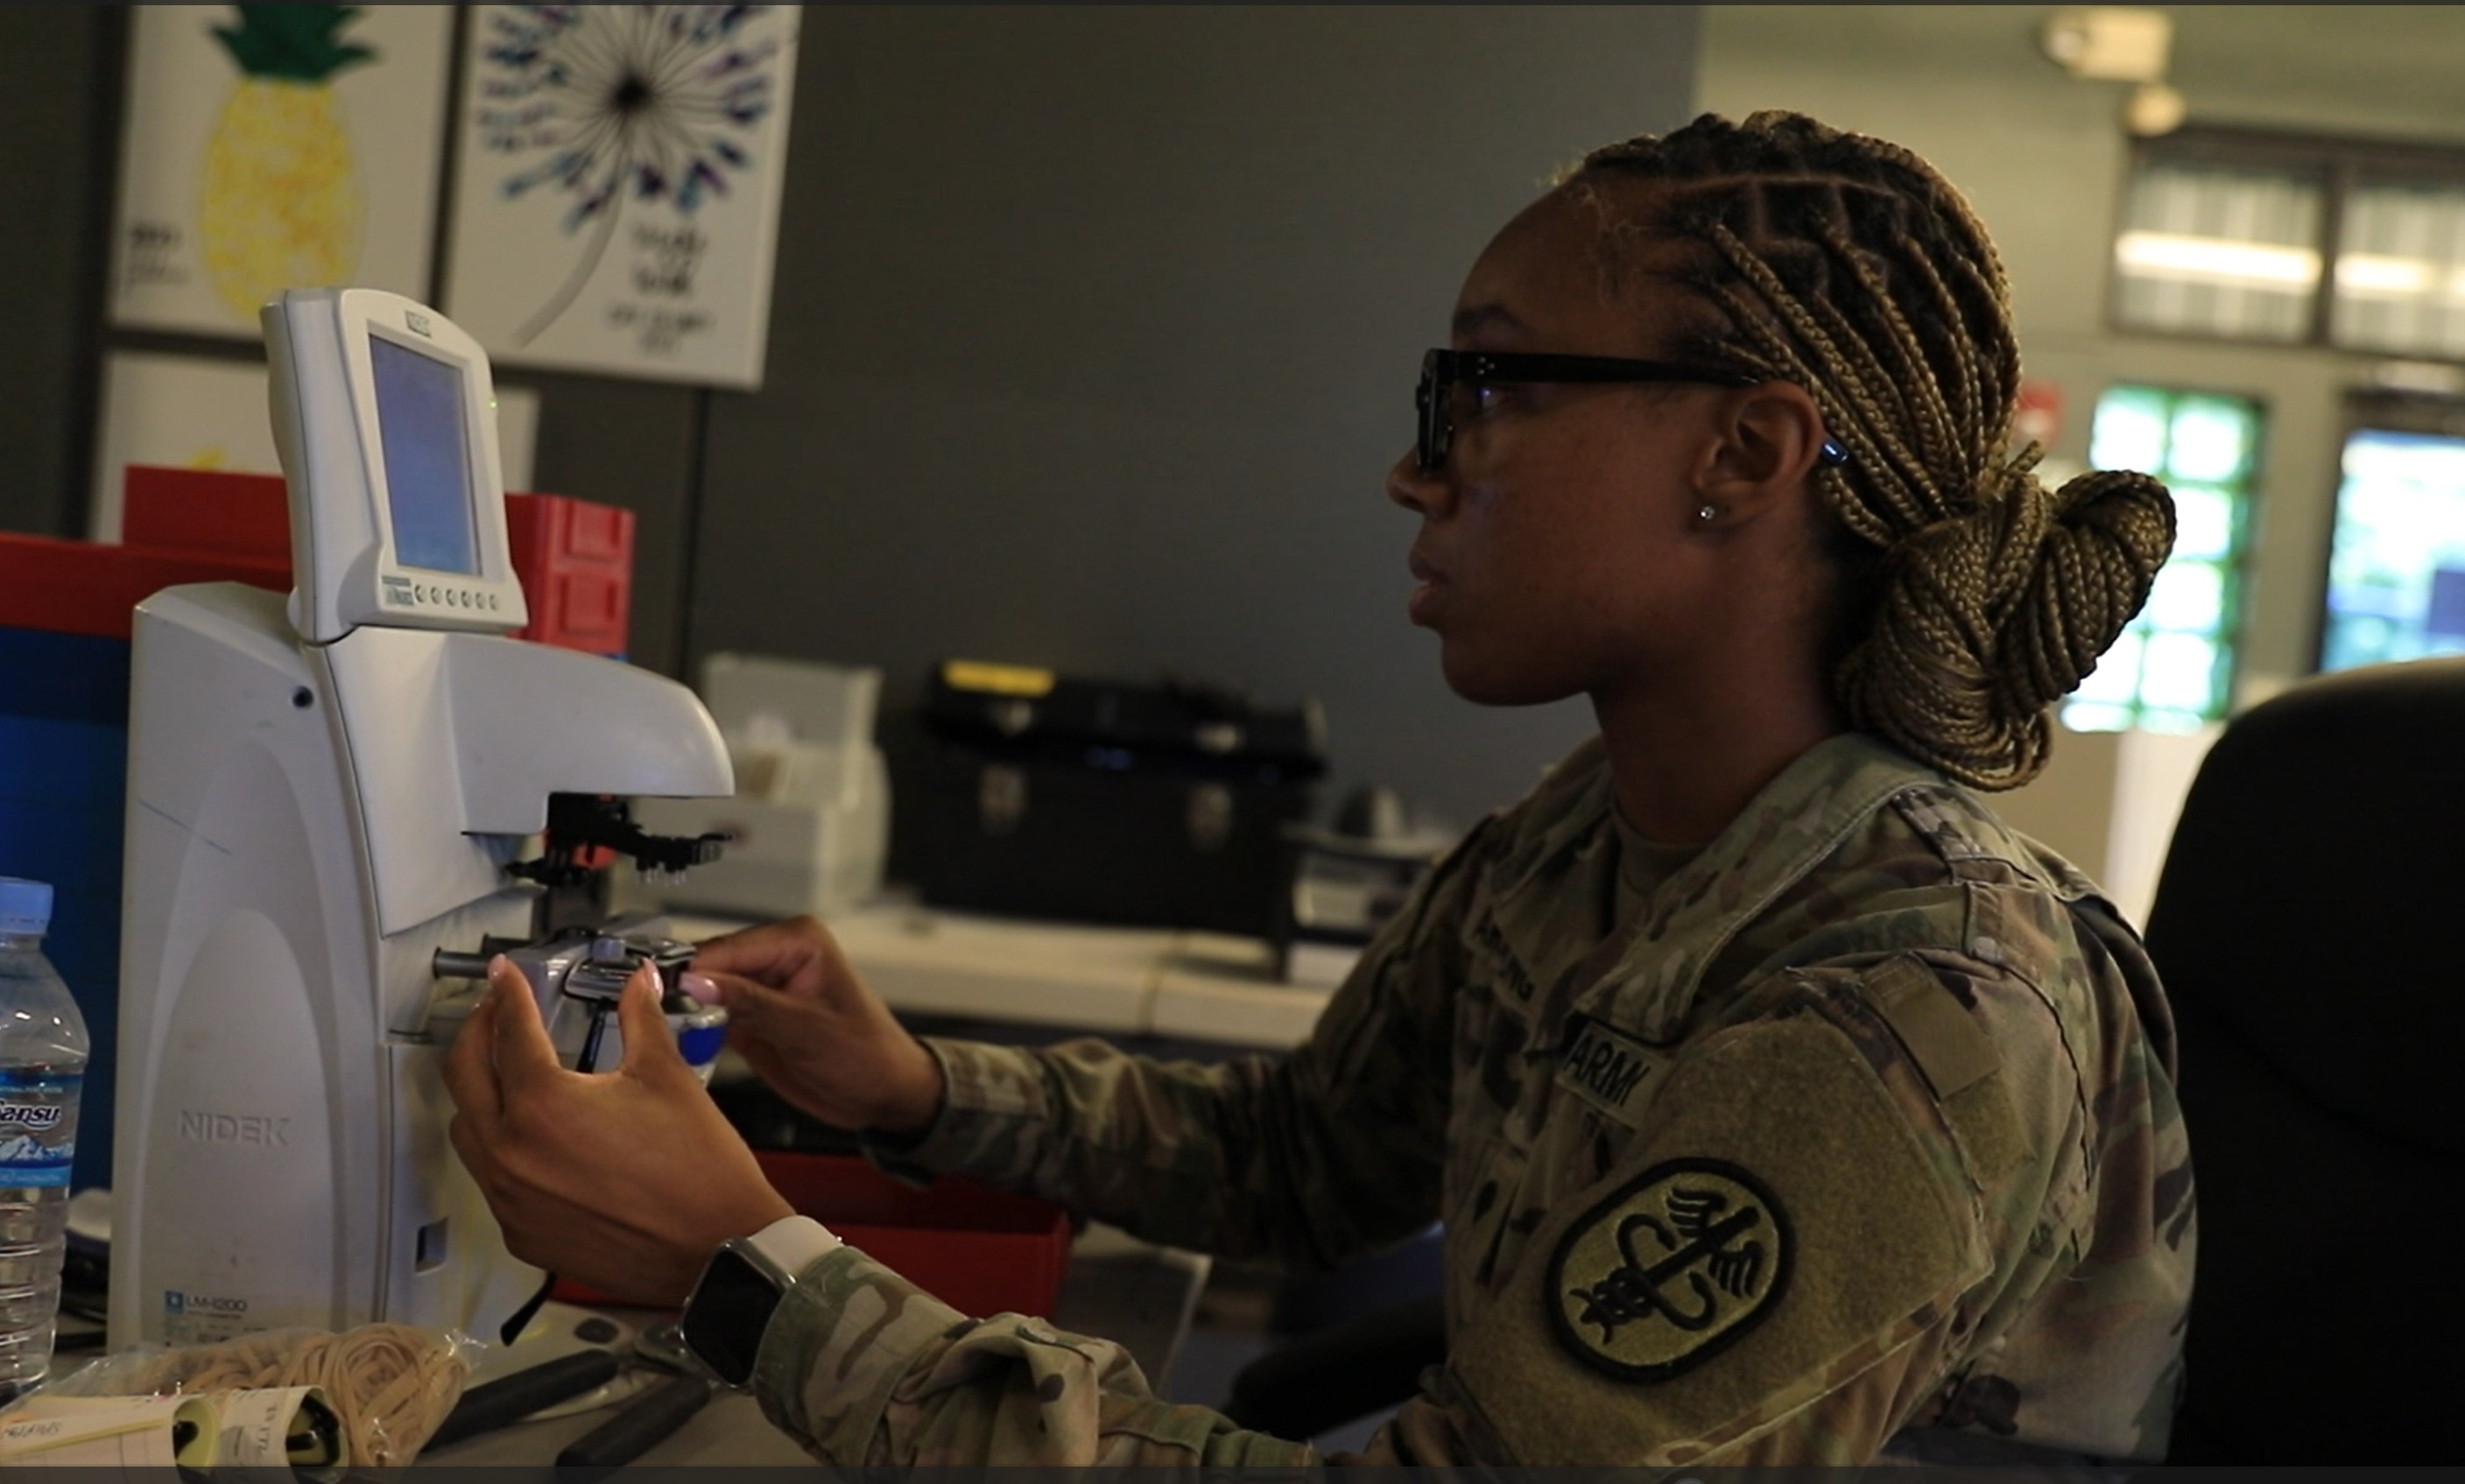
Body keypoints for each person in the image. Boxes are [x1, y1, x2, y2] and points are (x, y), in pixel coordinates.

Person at [442, 110, 2194, 1466]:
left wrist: (745, 1266)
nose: (1418, 467)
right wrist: (909, 1084)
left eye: (1488, 385)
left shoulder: (1909, 1003)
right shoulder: (1586, 839)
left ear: (1741, 452)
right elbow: (1299, 1160)